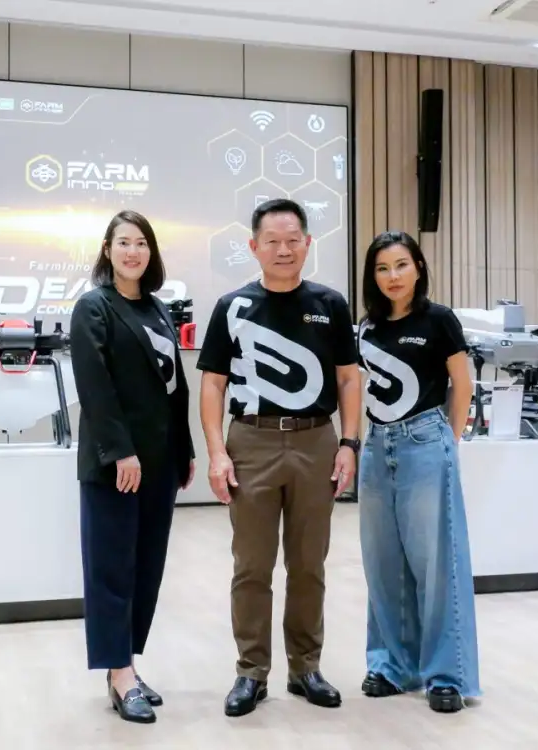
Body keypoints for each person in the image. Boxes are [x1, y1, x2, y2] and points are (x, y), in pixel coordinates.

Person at [196, 198, 362, 718]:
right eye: (272, 241)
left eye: (293, 240)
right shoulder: (232, 307)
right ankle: (251, 671)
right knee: (251, 566)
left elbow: (348, 378)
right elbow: (213, 384)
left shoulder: (330, 304)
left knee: (309, 564)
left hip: (316, 441)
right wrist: (217, 453)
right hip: (252, 441)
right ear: (254, 246)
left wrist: (349, 443)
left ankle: (305, 667)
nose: (283, 250)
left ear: (308, 243)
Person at [69, 210, 195, 725]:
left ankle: (128, 664)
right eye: (123, 242)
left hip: (160, 462)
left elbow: (174, 387)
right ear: (107, 250)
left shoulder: (157, 309)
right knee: (112, 569)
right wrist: (120, 451)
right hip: (116, 465)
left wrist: (185, 449)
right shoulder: (93, 308)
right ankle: (119, 674)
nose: (133, 251)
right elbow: (95, 387)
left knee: (146, 569)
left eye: (141, 243)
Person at [355, 230, 481, 713]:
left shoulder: (439, 320)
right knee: (383, 563)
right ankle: (392, 666)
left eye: (401, 265)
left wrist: (449, 440)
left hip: (426, 441)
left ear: (419, 268)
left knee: (436, 564)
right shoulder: (366, 328)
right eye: (382, 268)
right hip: (376, 446)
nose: (393, 276)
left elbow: (462, 385)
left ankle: (446, 675)